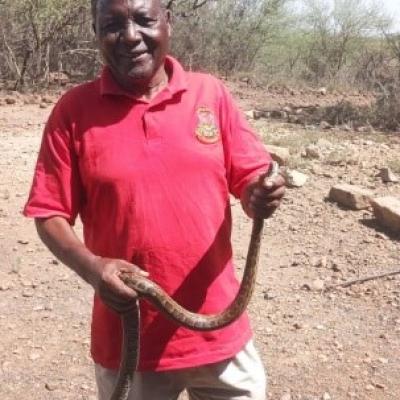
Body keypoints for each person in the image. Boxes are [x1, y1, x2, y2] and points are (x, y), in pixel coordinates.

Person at [23, 0, 285, 399]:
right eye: (111, 24)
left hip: (219, 334)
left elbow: (250, 179)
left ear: (168, 23)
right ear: (95, 31)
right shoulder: (73, 112)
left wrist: (259, 195)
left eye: (144, 20)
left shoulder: (210, 94)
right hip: (129, 341)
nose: (130, 36)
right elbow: (49, 213)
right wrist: (95, 269)